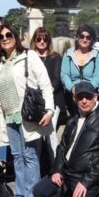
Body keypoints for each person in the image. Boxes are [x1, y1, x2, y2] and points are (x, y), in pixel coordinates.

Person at [33, 81, 99, 197]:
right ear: (74, 99)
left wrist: (86, 182)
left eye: (88, 97)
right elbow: (62, 147)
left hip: (87, 178)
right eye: (80, 97)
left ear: (95, 97)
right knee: (38, 191)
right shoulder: (72, 120)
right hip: (67, 174)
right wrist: (57, 170)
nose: (84, 101)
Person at [0, 23, 55, 197]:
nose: (5, 38)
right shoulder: (2, 63)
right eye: (1, 36)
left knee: (30, 156)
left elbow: (45, 84)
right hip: (9, 116)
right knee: (18, 158)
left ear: (16, 36)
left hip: (28, 116)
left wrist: (50, 110)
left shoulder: (30, 56)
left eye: (8, 34)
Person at [31, 27, 65, 169]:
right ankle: (36, 166)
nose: (42, 42)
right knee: (35, 135)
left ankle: (56, 166)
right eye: (39, 39)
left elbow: (57, 79)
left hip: (53, 100)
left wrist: (48, 89)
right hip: (35, 101)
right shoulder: (30, 56)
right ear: (34, 40)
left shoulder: (55, 57)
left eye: (45, 39)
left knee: (50, 134)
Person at [61, 25, 99, 117]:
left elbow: (97, 76)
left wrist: (87, 89)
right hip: (73, 94)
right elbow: (65, 74)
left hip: (90, 94)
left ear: (92, 40)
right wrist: (72, 88)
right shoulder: (68, 54)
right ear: (77, 37)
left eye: (88, 37)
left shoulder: (96, 56)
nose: (85, 39)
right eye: (82, 36)